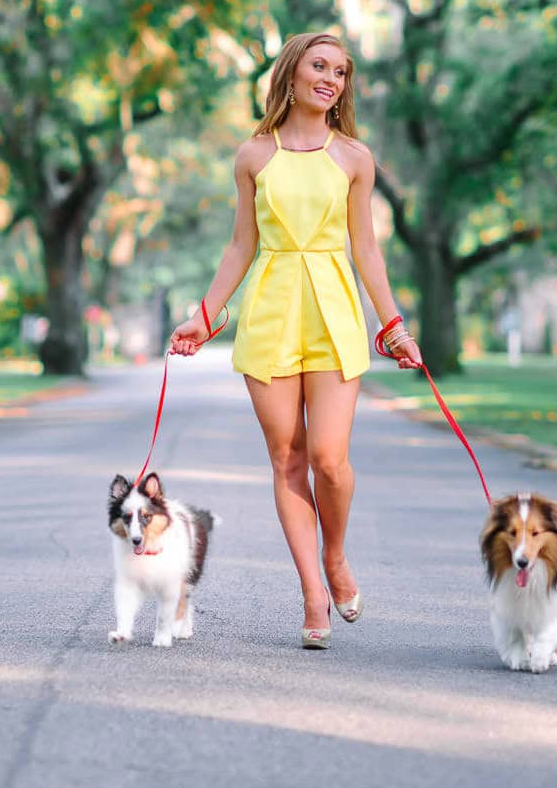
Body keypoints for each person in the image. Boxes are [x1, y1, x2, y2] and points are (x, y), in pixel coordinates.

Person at [169, 32, 423, 649]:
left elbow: (366, 248)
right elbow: (241, 246)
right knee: (289, 459)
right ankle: (313, 592)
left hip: (335, 311)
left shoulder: (355, 157)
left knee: (330, 461)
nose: (331, 78)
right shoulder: (254, 155)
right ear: (292, 72)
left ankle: (336, 556)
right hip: (271, 310)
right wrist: (205, 315)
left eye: (341, 71)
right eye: (320, 65)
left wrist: (393, 325)